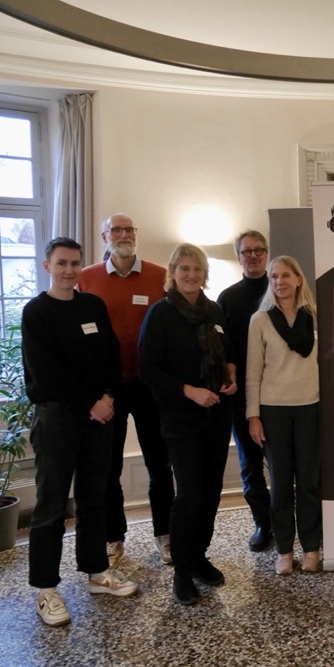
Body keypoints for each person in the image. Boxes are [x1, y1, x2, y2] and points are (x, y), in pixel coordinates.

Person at [22, 237, 137, 627]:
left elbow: (109, 354)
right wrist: (93, 400)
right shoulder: (36, 312)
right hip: (57, 419)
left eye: (75, 263)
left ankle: (96, 572)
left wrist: (107, 397)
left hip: (97, 418)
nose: (69, 270)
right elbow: (47, 371)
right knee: (51, 505)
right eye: (61, 263)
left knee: (94, 499)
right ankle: (45, 589)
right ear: (47, 266)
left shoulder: (92, 305)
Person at [139, 243, 237, 605]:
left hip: (216, 415)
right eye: (184, 269)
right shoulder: (160, 314)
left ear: (205, 273)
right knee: (190, 494)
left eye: (197, 269)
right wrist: (190, 391)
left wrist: (231, 375)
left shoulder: (213, 310)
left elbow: (229, 354)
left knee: (211, 492)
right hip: (181, 417)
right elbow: (148, 369)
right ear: (173, 273)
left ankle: (199, 556)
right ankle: (181, 570)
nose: (191, 275)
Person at [78, 213, 174, 568]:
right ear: (104, 235)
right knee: (108, 468)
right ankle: (113, 537)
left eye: (129, 229)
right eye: (116, 230)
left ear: (136, 234)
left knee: (159, 464)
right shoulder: (86, 278)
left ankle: (165, 535)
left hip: (150, 385)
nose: (123, 235)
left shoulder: (159, 275)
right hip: (109, 389)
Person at [245, 256, 321, 575]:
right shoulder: (260, 320)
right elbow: (252, 373)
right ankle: (284, 549)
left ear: (299, 279)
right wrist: (254, 416)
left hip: (310, 408)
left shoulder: (315, 318)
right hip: (274, 411)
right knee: (279, 484)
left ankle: (312, 547)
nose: (280, 282)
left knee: (308, 483)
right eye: (274, 276)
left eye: (286, 275)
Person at [217, 230, 273, 552]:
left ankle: (285, 521)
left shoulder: (280, 287)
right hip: (241, 398)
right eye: (246, 251)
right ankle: (262, 524)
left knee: (281, 465)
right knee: (251, 465)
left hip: (279, 394)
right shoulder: (226, 298)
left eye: (259, 250)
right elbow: (222, 347)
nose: (253, 256)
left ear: (267, 254)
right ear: (238, 256)